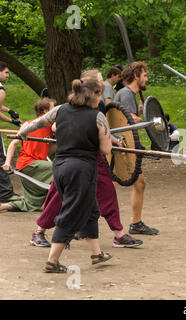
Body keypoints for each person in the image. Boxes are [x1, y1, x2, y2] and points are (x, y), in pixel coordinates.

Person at [30, 70, 143, 249]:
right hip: (73, 157)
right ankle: (39, 231)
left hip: (91, 158)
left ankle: (116, 235)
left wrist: (115, 140)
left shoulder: (97, 104)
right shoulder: (74, 105)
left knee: (105, 193)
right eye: (99, 81)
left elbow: (100, 130)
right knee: (59, 195)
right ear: (90, 87)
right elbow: (55, 125)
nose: (103, 84)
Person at [19, 76, 113, 273]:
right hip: (81, 170)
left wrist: (23, 132)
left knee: (90, 208)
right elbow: (105, 150)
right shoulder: (97, 117)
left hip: (60, 167)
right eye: (100, 94)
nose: (101, 99)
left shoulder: (60, 109)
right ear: (93, 94)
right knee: (70, 213)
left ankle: (96, 254)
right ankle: (52, 261)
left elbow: (39, 123)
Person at [114, 61, 159, 235]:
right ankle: (83, 224)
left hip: (124, 145)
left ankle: (136, 223)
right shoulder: (126, 93)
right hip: (121, 146)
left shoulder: (128, 94)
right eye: (145, 75)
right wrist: (150, 119)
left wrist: (139, 112)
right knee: (109, 186)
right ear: (136, 76)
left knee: (139, 182)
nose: (146, 78)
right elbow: (128, 119)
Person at [0, 98, 55, 213]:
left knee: (32, 203)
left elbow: (47, 151)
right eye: (53, 108)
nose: (55, 110)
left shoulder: (50, 128)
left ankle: (3, 206)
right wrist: (7, 162)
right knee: (58, 168)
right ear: (45, 111)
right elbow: (13, 143)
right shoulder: (29, 125)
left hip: (36, 165)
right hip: (28, 164)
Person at [0, 61, 23, 202]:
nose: (8, 76)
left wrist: (10, 111)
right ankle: (6, 194)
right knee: (1, 159)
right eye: (6, 72)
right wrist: (12, 121)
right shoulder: (1, 90)